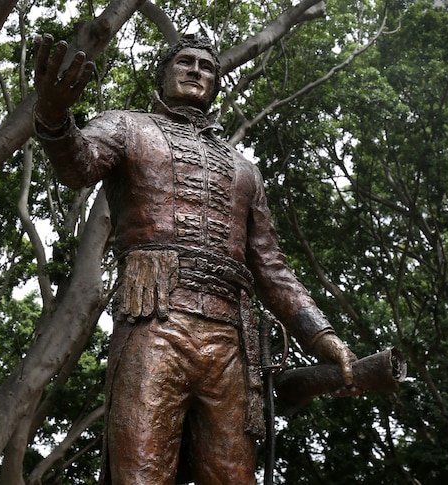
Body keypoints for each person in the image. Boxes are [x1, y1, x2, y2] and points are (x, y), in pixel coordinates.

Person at [32, 33, 358, 485]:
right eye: (184, 62)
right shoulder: (128, 126)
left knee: (232, 478)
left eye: (207, 67)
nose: (195, 71)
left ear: (216, 85)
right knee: (141, 474)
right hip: (155, 323)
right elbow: (77, 166)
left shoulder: (245, 170)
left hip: (230, 341)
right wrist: (52, 117)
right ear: (162, 74)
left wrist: (323, 338)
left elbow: (272, 268)